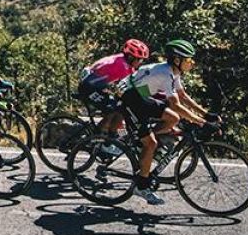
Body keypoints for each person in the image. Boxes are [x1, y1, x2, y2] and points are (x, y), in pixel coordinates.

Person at [113, 38, 211, 206]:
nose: (192, 63)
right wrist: (199, 121)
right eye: (188, 60)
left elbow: (182, 96)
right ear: (177, 60)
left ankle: (142, 142)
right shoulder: (165, 74)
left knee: (173, 118)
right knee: (150, 143)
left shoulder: (174, 71)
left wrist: (207, 115)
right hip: (128, 98)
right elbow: (175, 104)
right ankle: (141, 186)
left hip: (140, 96)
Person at [77, 39, 152, 132]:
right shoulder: (122, 66)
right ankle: (97, 137)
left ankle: (108, 136)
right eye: (140, 59)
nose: (141, 62)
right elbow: (131, 86)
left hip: (94, 86)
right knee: (112, 110)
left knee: (120, 109)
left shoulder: (121, 59)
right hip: (88, 88)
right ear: (131, 57)